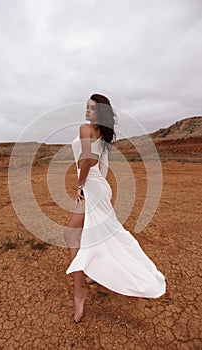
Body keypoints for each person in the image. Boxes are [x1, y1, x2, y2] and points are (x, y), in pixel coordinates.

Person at [64, 93, 166, 323]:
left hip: (92, 186)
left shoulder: (85, 129)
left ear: (100, 111)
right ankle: (97, 274)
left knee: (71, 235)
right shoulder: (102, 132)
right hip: (99, 186)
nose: (87, 111)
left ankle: (79, 292)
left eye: (91, 108)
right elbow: (100, 163)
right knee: (100, 234)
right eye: (86, 107)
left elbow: (88, 160)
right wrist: (96, 186)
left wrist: (81, 185)